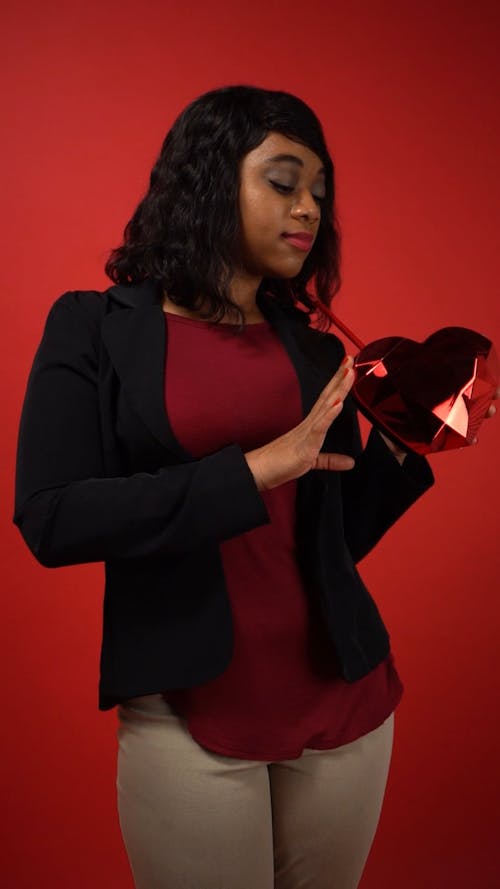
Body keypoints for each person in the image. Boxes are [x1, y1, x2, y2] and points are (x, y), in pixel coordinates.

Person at [13, 85, 497, 889]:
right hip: (188, 706)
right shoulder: (95, 326)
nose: (308, 209)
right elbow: (53, 516)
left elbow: (331, 536)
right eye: (283, 182)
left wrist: (420, 441)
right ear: (208, 181)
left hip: (345, 697)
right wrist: (253, 470)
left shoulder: (309, 346)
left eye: (319, 192)